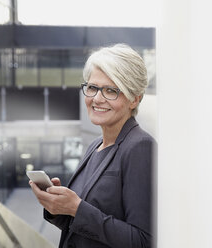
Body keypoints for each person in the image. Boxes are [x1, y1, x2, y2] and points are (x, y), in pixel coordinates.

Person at [29, 44, 156, 248]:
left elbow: (143, 241)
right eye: (93, 87)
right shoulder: (96, 145)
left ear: (135, 99)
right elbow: (83, 229)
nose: (97, 98)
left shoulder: (140, 147)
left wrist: (77, 208)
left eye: (110, 90)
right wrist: (58, 206)